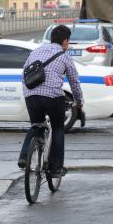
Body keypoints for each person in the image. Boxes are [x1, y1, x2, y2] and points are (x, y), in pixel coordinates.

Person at [18, 24, 83, 178]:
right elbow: (74, 82)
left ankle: (23, 157)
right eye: (68, 41)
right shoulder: (65, 57)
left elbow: (24, 73)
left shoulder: (36, 51)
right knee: (58, 128)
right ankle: (56, 169)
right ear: (65, 41)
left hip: (30, 95)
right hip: (53, 97)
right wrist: (79, 101)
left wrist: (29, 93)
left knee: (37, 125)